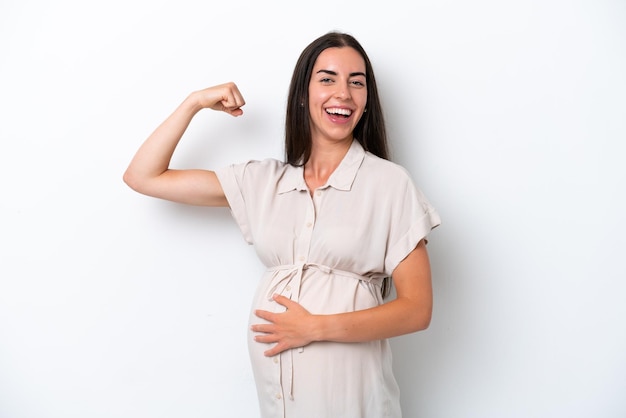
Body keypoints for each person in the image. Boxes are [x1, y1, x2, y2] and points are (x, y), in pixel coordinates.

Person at [124, 31, 441, 418]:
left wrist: (313, 328)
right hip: (279, 401)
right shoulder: (265, 182)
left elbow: (416, 309)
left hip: (352, 397)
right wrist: (193, 103)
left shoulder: (389, 184)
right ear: (303, 94)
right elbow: (144, 176)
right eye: (328, 79)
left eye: (356, 82)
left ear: (366, 101)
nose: (343, 92)